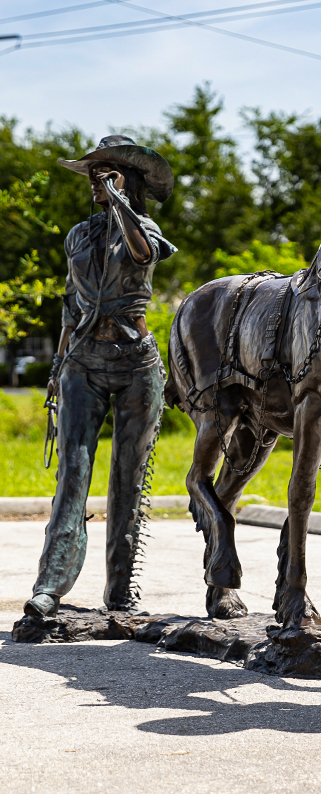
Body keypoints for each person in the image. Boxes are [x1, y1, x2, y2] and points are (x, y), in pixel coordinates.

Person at [24, 135, 176, 618]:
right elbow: (71, 304)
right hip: (83, 363)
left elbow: (142, 255)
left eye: (104, 172)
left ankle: (121, 591)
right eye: (92, 173)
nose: (93, 180)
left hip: (136, 365)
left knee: (128, 480)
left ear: (127, 178)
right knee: (73, 473)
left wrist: (120, 205)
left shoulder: (143, 228)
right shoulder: (78, 235)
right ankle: (50, 587)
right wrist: (57, 366)